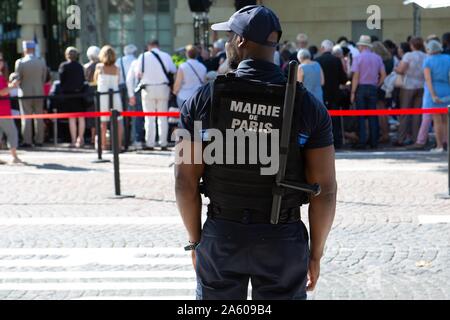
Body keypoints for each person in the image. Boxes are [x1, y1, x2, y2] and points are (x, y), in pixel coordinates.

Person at [175, 5, 337, 300]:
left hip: (222, 233)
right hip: (282, 237)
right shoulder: (309, 105)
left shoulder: (201, 100)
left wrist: (196, 242)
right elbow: (324, 190)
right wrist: (316, 253)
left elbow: (184, 182)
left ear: (240, 41)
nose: (225, 43)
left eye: (228, 36)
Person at [130, 40, 177, 151]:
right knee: (163, 117)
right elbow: (173, 70)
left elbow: (138, 73)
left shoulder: (143, 56)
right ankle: (163, 142)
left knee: (149, 117)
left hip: (148, 88)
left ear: (149, 46)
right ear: (158, 46)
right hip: (163, 88)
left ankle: (150, 143)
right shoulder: (165, 55)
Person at [351, 35, 386, 149]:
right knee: (373, 116)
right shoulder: (377, 57)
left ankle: (362, 141)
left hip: (361, 88)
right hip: (372, 88)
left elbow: (355, 76)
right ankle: (374, 142)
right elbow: (383, 75)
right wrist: (377, 84)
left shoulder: (358, 58)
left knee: (361, 116)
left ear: (361, 46)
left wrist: (353, 92)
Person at [393, 37, 426, 147]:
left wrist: (396, 69)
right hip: (421, 86)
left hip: (408, 86)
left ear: (412, 45)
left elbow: (401, 70)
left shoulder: (408, 56)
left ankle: (401, 138)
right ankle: (416, 138)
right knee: (417, 114)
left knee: (405, 113)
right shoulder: (425, 56)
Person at [14, 41, 48, 148]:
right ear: (33, 49)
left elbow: (18, 78)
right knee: (39, 117)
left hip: (25, 93)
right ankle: (39, 140)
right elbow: (44, 77)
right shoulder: (41, 61)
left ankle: (27, 141)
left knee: (26, 117)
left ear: (25, 49)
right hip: (39, 92)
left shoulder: (20, 62)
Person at [316, 40, 348, 149]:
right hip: (335, 94)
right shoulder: (337, 60)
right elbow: (343, 79)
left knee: (322, 119)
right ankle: (337, 142)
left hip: (322, 94)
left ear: (322, 48)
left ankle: (324, 142)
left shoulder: (317, 60)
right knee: (336, 120)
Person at [93, 45, 124, 151]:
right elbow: (118, 81)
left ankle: (103, 145)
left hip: (103, 96)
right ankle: (118, 145)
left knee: (103, 122)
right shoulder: (117, 68)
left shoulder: (99, 67)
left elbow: (95, 80)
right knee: (118, 121)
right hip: (115, 95)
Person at [422, 40, 450, 152]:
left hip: (433, 90)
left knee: (437, 120)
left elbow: (428, 79)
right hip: (447, 89)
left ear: (429, 50)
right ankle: (447, 144)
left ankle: (439, 146)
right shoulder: (448, 58)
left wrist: (433, 95)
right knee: (446, 120)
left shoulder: (428, 61)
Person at [59, 47, 86, 148]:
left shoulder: (63, 66)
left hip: (69, 95)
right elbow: (83, 80)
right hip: (80, 94)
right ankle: (81, 139)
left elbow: (61, 81)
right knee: (81, 117)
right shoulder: (80, 66)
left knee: (72, 118)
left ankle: (74, 140)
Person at [0, 52, 22, 164]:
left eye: (1, 60)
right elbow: (2, 92)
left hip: (3, 110)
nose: (1, 62)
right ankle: (14, 157)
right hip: (2, 111)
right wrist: (12, 86)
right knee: (12, 132)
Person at [372, 41, 394, 144]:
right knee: (384, 111)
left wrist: (377, 85)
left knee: (380, 111)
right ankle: (386, 133)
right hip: (388, 87)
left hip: (380, 86)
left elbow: (381, 74)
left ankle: (384, 134)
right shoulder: (390, 59)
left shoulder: (378, 60)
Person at [84, 46, 100, 145]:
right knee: (99, 113)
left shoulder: (85, 67)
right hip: (98, 90)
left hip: (89, 91)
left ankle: (93, 137)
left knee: (91, 114)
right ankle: (97, 136)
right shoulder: (100, 66)